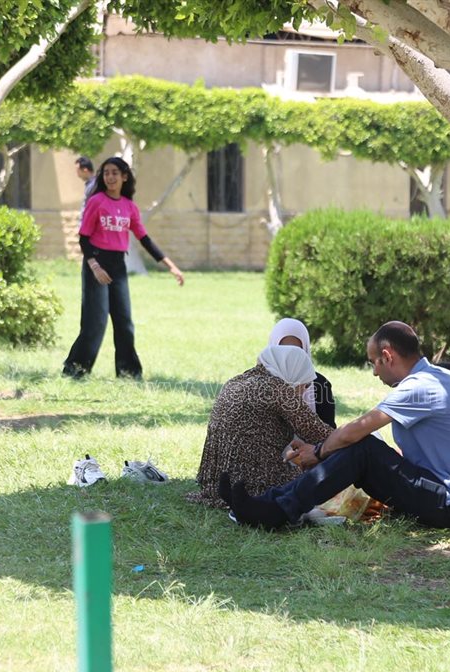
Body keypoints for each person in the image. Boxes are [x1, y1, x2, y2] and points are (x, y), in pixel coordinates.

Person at [224, 321, 450, 529]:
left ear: (387, 356)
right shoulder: (436, 377)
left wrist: (317, 452)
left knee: (362, 447)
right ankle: (266, 503)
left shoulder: (421, 386)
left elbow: (357, 430)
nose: (374, 372)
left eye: (373, 363)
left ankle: (277, 510)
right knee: (362, 446)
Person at [61, 157, 184, 379]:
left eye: (115, 173)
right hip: (96, 264)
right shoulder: (96, 201)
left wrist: (171, 266)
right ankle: (75, 369)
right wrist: (95, 267)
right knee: (95, 323)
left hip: (118, 266)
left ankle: (128, 372)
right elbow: (84, 238)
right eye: (106, 173)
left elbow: (144, 239)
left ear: (124, 177)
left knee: (124, 322)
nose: (110, 177)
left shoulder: (129, 207)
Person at [188, 345, 333, 508]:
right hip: (256, 483)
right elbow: (321, 433)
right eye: (305, 385)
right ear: (293, 373)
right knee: (328, 476)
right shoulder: (278, 390)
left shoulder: (235, 382)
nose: (304, 392)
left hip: (214, 485)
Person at [268, 318, 336, 427]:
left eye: (296, 350)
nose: (289, 356)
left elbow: (329, 431)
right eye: (282, 350)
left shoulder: (320, 384)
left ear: (305, 350)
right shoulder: (257, 383)